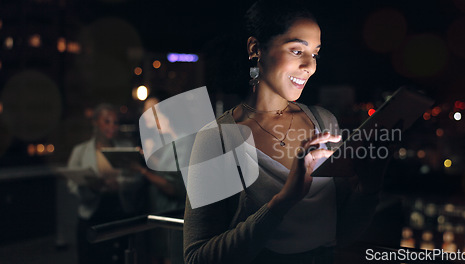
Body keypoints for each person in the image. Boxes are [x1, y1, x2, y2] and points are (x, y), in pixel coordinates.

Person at [183, 1, 388, 264]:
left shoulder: (324, 124)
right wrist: (283, 201)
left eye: (315, 53)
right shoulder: (218, 139)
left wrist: (367, 191)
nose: (309, 66)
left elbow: (340, 236)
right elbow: (197, 258)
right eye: (296, 50)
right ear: (255, 48)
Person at [67, 103, 143, 264]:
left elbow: (137, 178)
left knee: (120, 257)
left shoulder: (127, 147)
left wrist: (120, 184)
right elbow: (72, 183)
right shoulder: (80, 151)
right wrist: (90, 187)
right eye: (107, 121)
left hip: (120, 212)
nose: (112, 127)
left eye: (116, 122)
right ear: (96, 122)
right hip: (92, 214)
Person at [134, 95, 186, 264]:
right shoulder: (158, 140)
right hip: (157, 212)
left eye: (151, 110)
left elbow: (175, 187)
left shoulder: (182, 141)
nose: (145, 114)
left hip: (174, 216)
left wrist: (142, 170)